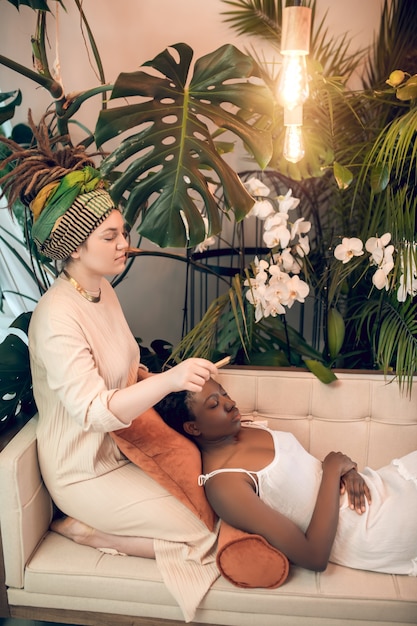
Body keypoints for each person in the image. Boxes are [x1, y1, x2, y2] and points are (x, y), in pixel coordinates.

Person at [0, 113, 220, 621]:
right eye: (111, 235)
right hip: (82, 471)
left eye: (122, 232)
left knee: (209, 500)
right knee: (201, 531)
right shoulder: (57, 317)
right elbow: (96, 412)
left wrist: (168, 383)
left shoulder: (100, 292)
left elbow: (123, 370)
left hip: (122, 450)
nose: (126, 243)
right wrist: (168, 378)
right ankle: (87, 532)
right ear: (76, 247)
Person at [155, 377, 417, 576]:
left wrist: (347, 472)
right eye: (214, 405)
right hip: (366, 528)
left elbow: (310, 479)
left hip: (376, 487)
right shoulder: (225, 485)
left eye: (224, 394)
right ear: (193, 427)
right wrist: (332, 468)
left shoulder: (244, 427)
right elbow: (314, 557)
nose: (230, 403)